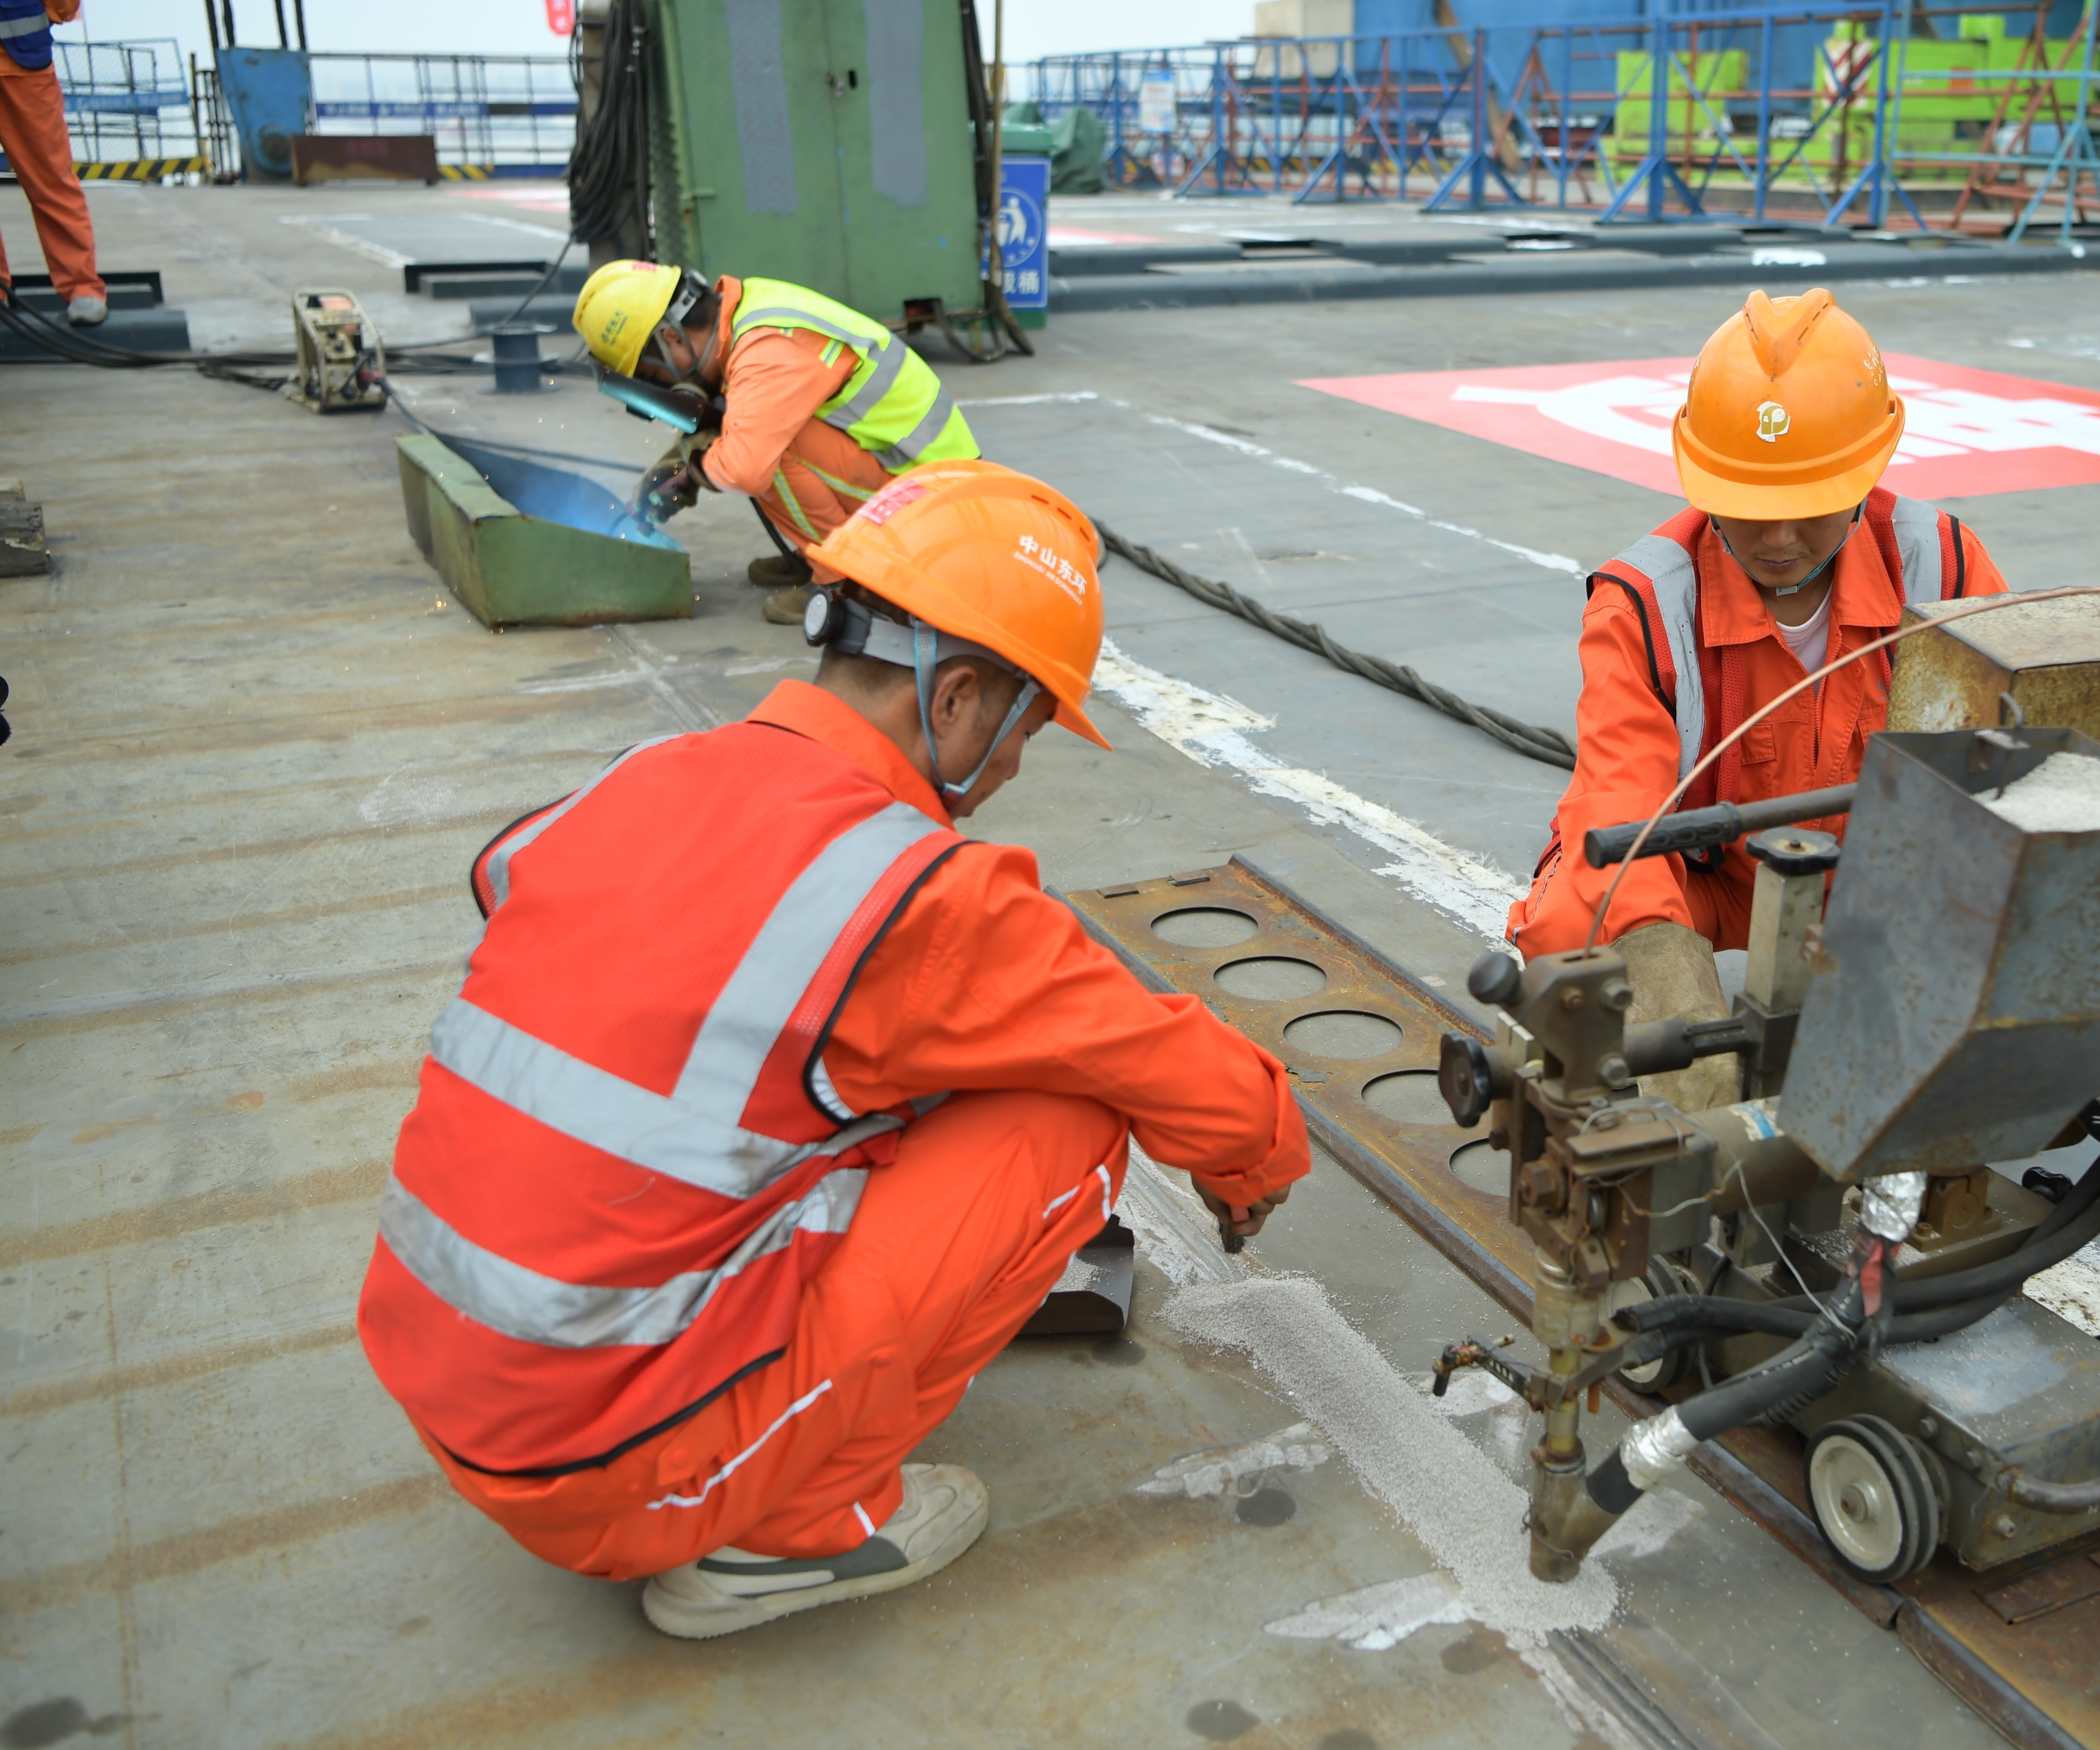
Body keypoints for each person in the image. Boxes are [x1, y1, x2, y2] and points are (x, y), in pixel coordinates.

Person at [357, 459, 1309, 1640]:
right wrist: (1254, 1173)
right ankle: (789, 1531)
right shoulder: (918, 891)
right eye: (1024, 730)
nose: (1010, 771)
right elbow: (1178, 1073)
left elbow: (505, 881)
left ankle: (762, 1401)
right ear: (955, 696)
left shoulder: (647, 773)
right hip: (612, 1465)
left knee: (859, 1066)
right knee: (1064, 1121)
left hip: (446, 1367)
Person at [1508, 287, 2008, 1112]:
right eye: (1748, 509)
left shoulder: (1942, 567)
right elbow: (1618, 805)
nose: (1778, 540)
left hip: (1872, 873)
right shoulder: (1641, 604)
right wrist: (1675, 1018)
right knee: (1575, 922)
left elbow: (2005, 765)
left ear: (1865, 473)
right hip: (1708, 875)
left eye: (1808, 507)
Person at [570, 259, 981, 625]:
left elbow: (745, 464)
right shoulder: (745, 316)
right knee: (751, 436)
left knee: (764, 454)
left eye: (652, 373)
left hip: (934, 503)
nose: (662, 384)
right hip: (906, 473)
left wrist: (691, 471)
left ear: (672, 337)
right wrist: (679, 461)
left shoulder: (767, 346)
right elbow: (743, 410)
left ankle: (847, 581)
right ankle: (817, 552)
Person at [0, 0, 109, 326]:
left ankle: (82, 286)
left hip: (23, 66)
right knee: (53, 182)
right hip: (24, 59)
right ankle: (81, 287)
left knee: (51, 180)